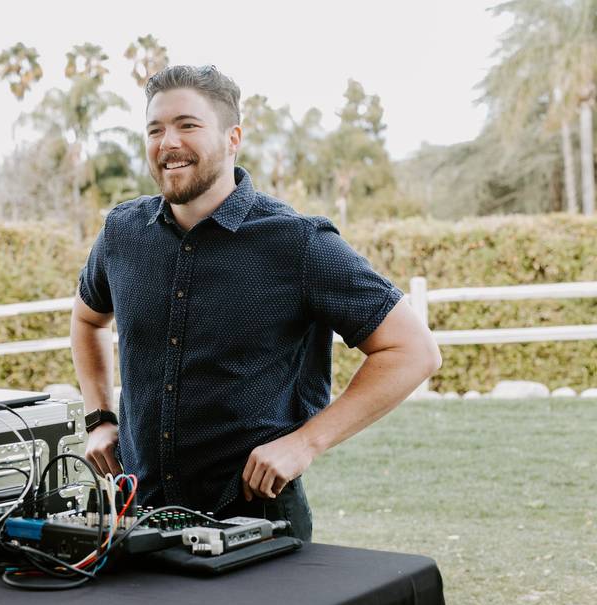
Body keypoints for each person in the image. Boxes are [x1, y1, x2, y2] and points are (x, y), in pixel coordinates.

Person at [70, 65, 441, 541]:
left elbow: (413, 351)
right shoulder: (122, 232)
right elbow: (87, 319)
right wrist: (100, 417)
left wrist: (305, 444)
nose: (168, 143)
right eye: (155, 129)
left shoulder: (300, 244)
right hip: (139, 516)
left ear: (232, 138)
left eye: (188, 125)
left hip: (258, 520)